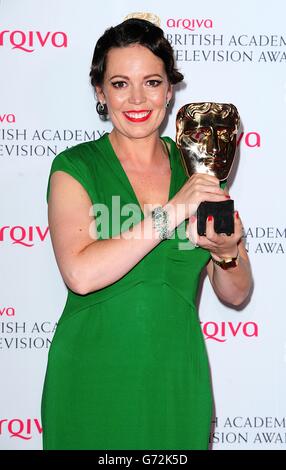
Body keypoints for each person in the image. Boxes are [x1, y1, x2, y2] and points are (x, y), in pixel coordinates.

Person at [41, 18, 252, 450]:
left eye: (152, 82)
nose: (137, 98)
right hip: (91, 382)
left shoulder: (198, 170)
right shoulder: (75, 167)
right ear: (100, 92)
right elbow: (80, 273)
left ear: (169, 90)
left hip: (175, 382)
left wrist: (228, 254)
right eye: (120, 83)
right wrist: (175, 209)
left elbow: (235, 293)